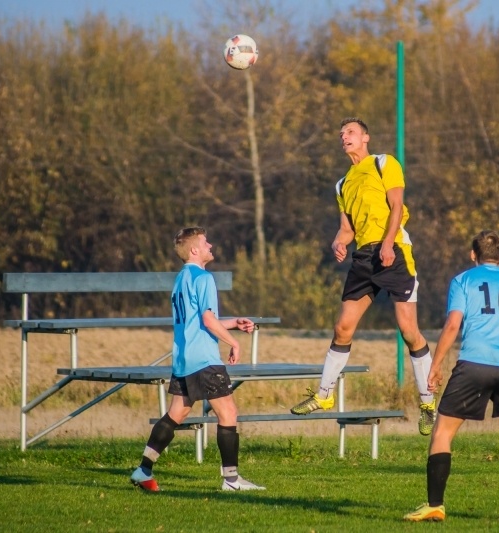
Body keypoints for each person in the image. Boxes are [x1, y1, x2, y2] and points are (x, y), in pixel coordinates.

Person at [403, 230, 499, 526]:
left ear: (472, 255)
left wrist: (435, 364)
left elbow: (453, 325)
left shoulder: (463, 280)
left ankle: (435, 506)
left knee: (442, 433)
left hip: (473, 366)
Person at [289, 117, 437, 435]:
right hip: (363, 258)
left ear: (366, 137)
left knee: (409, 330)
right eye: (341, 133)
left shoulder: (384, 163)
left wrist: (388, 244)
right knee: (343, 327)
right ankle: (324, 395)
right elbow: (347, 229)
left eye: (351, 132)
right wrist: (338, 243)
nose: (345, 136)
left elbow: (396, 207)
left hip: (394, 251)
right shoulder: (342, 184)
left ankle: (427, 403)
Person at [130, 226, 265, 492]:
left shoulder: (181, 279)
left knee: (176, 414)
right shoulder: (204, 278)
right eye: (205, 243)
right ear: (194, 249)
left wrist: (233, 323)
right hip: (204, 358)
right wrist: (234, 342)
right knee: (228, 413)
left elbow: (200, 321)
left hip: (184, 359)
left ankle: (143, 470)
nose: (210, 246)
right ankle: (231, 480)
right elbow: (207, 319)